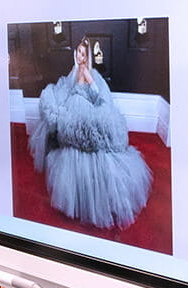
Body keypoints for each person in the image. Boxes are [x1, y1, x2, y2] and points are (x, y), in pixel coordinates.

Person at [28, 36, 152, 229]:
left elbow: (101, 97)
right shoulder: (72, 72)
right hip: (70, 109)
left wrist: (87, 78)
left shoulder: (89, 72)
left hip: (85, 109)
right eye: (78, 52)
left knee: (88, 142)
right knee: (62, 129)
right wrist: (61, 106)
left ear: (88, 57)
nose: (80, 56)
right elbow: (65, 92)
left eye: (84, 54)